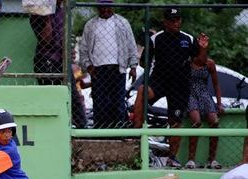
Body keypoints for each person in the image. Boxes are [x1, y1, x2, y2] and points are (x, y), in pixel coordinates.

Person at [132, 7, 207, 168]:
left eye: (178, 19)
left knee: (175, 121)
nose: (176, 22)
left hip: (180, 85)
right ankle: (135, 136)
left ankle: (172, 157)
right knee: (142, 91)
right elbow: (143, 63)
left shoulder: (188, 39)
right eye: (172, 20)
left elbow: (200, 63)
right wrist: (147, 48)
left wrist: (202, 47)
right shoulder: (155, 39)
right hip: (159, 80)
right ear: (165, 22)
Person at [79, 0, 138, 128]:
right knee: (100, 102)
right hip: (98, 70)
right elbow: (83, 49)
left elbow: (131, 45)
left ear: (112, 6)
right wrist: (88, 66)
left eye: (108, 7)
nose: (105, 9)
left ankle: (118, 131)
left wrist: (133, 66)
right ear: (97, 8)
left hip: (118, 68)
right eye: (102, 7)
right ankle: (100, 132)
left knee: (117, 102)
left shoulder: (122, 23)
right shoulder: (91, 25)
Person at [185, 37, 223, 169]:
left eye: (204, 50)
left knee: (214, 121)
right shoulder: (187, 62)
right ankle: (191, 159)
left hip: (204, 94)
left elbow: (216, 84)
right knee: (196, 121)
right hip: (190, 94)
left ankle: (212, 159)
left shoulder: (209, 64)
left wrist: (219, 103)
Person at [28, 0, 63, 86]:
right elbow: (46, 40)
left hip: (62, 59)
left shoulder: (61, 12)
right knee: (50, 92)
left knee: (73, 95)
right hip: (47, 59)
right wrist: (47, 18)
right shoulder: (39, 11)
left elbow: (64, 37)